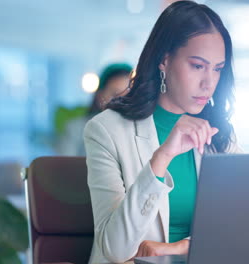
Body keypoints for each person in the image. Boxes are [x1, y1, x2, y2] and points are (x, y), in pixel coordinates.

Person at [83, 1, 240, 263]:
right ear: (164, 60)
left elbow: (242, 226)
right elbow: (116, 250)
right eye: (198, 66)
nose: (208, 83)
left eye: (217, 69)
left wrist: (178, 248)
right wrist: (163, 156)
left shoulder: (219, 133)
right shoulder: (105, 130)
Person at [54, 63, 132, 156]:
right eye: (115, 93)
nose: (121, 100)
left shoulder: (141, 130)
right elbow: (63, 167)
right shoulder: (76, 128)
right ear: (100, 95)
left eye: (128, 95)